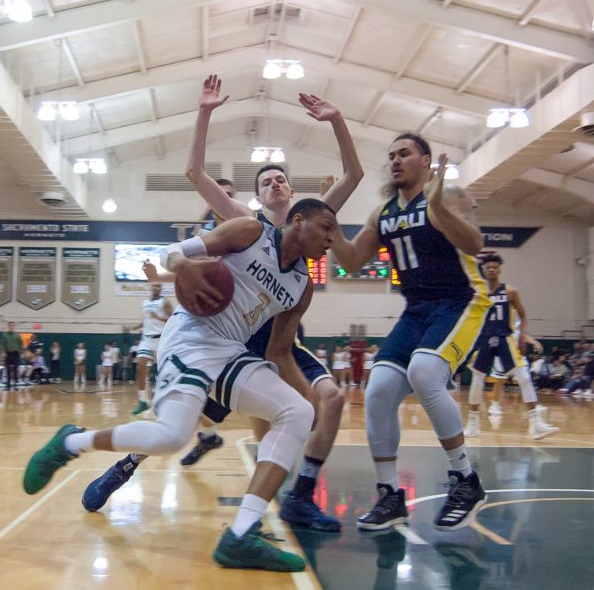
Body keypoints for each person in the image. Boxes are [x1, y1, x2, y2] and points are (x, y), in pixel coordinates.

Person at [82, 75, 362, 532]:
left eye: (281, 179)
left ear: (294, 195)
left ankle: (298, 495)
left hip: (280, 338)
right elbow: (194, 174)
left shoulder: (314, 217)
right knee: (182, 422)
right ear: (258, 195)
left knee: (324, 400)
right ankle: (128, 463)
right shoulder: (245, 223)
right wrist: (205, 111)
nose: (275, 184)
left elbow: (353, 175)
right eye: (266, 180)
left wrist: (336, 121)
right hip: (230, 338)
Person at [23, 199, 338, 572]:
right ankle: (71, 442)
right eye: (327, 227)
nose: (332, 239)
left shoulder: (302, 286)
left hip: (230, 350)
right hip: (191, 335)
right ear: (298, 220)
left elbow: (280, 352)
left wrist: (307, 394)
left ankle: (241, 535)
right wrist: (184, 266)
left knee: (297, 411)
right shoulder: (251, 232)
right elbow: (171, 251)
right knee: (172, 436)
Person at [329, 133, 491, 532]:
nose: (396, 160)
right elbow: (350, 261)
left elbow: (475, 244)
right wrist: (329, 225)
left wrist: (437, 208)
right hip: (417, 310)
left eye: (404, 153)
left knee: (424, 373)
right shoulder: (383, 211)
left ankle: (465, 480)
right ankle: (389, 495)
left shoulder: (449, 195)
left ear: (425, 160)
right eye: (391, 156)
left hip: (462, 300)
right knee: (378, 389)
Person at [463, 254, 558, 439]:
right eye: (487, 267)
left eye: (494, 267)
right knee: (477, 379)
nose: (491, 270)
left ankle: (536, 423)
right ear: (483, 270)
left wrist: (522, 335)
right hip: (484, 338)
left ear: (499, 269)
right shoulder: (477, 293)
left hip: (505, 337)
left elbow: (523, 316)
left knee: (523, 376)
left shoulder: (510, 291)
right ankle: (472, 424)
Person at [129, 284, 174, 414]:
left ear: (161, 289)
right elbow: (145, 321)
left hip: (161, 339)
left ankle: (160, 398)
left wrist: (158, 317)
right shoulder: (145, 303)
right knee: (140, 365)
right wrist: (136, 326)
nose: (155, 288)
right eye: (153, 286)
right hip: (146, 339)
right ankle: (143, 401)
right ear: (150, 288)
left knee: (162, 372)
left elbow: (173, 319)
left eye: (158, 286)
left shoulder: (164, 302)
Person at [0, 321, 23, 389]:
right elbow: (2, 344)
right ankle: (8, 383)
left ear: (14, 326)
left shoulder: (17, 335)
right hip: (8, 353)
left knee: (15, 368)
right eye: (10, 325)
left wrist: (20, 351)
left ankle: (15, 382)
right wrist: (3, 352)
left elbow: (20, 343)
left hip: (15, 353)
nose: (12, 327)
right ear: (8, 326)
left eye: (13, 326)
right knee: (8, 368)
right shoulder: (4, 335)